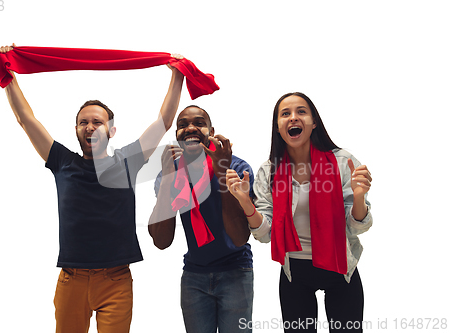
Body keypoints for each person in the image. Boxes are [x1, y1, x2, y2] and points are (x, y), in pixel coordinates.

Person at [0, 44, 185, 333]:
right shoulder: (61, 161)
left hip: (116, 281)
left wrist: (178, 74)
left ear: (110, 131)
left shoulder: (127, 161)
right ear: (76, 130)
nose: (89, 126)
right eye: (83, 122)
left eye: (97, 122)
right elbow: (26, 119)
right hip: (71, 279)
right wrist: (7, 74)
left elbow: (163, 122)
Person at [225, 92, 373, 333]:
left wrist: (358, 197)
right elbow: (265, 235)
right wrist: (244, 201)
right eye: (285, 114)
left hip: (340, 268)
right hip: (295, 271)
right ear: (278, 127)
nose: (293, 118)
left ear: (314, 122)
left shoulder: (342, 162)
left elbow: (357, 227)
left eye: (301, 112)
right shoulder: (269, 171)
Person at [148, 105, 254, 333]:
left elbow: (240, 238)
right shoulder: (170, 171)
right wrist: (167, 180)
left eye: (199, 123)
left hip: (236, 272)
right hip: (194, 277)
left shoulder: (237, 167)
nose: (190, 129)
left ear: (211, 130)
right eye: (182, 125)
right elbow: (161, 240)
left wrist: (222, 173)